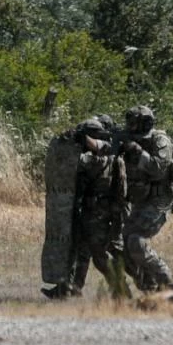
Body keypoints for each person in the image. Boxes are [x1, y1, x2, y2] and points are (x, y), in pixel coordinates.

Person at [43, 118, 130, 299]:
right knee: (79, 251)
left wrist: (70, 144)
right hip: (88, 210)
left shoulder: (102, 156)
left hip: (100, 212)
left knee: (99, 255)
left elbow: (83, 162)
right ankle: (69, 288)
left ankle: (121, 290)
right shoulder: (100, 151)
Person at [107, 105, 173, 293]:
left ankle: (168, 283)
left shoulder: (160, 141)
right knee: (124, 245)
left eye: (133, 124)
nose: (130, 128)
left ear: (146, 123)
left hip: (159, 200)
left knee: (136, 241)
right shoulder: (129, 137)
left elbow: (158, 169)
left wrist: (136, 150)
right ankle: (149, 286)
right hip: (140, 200)